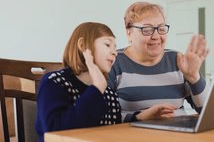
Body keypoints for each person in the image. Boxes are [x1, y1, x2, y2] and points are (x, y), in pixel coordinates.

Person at [36, 22, 176, 142]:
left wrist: (140, 117)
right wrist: (97, 88)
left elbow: (111, 128)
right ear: (83, 45)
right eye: (107, 45)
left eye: (115, 47)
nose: (114, 52)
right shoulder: (54, 83)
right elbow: (55, 132)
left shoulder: (107, 92)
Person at [108, 2, 210, 122]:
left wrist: (193, 77)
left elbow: (208, 110)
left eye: (161, 28)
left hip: (178, 135)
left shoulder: (177, 59)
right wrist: (140, 117)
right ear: (129, 33)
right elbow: (104, 116)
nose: (156, 36)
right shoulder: (113, 62)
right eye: (147, 30)